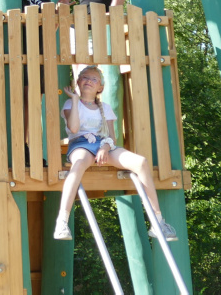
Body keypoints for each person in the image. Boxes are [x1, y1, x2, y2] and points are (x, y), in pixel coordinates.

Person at [53, 65, 177, 242]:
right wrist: (73, 99)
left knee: (140, 162)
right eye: (85, 78)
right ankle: (62, 221)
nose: (89, 81)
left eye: (94, 79)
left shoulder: (105, 107)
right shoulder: (70, 104)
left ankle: (158, 221)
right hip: (80, 144)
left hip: (104, 144)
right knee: (79, 164)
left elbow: (112, 136)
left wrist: (105, 147)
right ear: (78, 82)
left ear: (100, 87)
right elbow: (73, 128)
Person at [18, 0, 72, 167]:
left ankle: (27, 146)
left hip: (39, 54)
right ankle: (18, 147)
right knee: (20, 102)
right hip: (19, 52)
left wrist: (57, 10)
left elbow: (51, 29)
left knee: (33, 103)